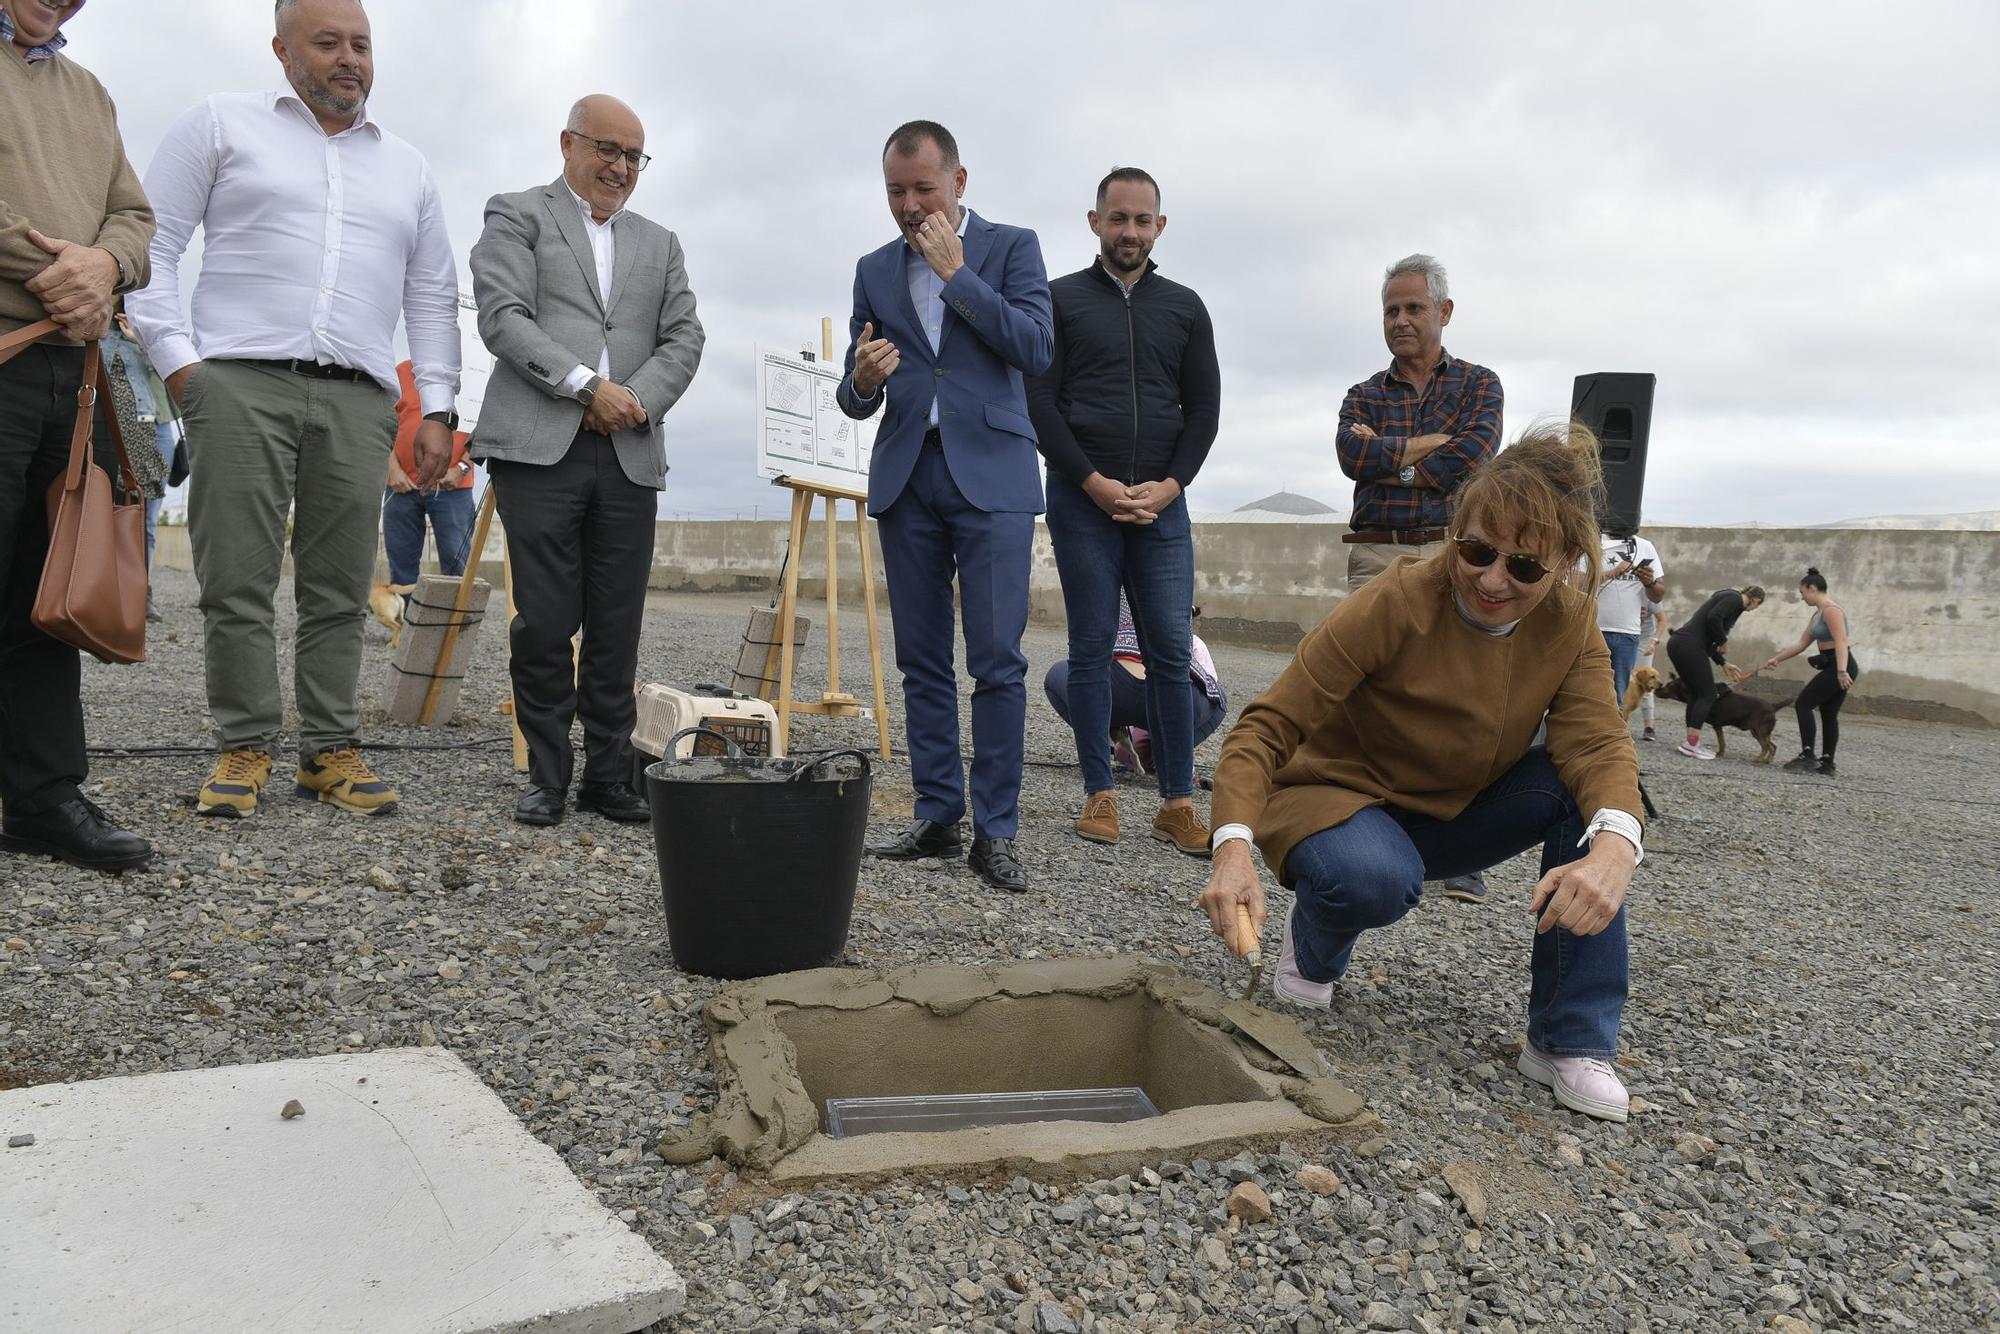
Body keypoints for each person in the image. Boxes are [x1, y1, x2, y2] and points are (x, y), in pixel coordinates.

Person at [1200, 422, 1645, 1122]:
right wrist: (1231, 848)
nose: (1493, 580)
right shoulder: (1394, 600)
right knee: (1372, 878)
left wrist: (1616, 847)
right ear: (1455, 534)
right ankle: (1315, 936)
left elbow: (1597, 746)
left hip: (1455, 811)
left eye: (1525, 567)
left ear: (1564, 563)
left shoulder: (1570, 622)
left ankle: (1567, 1039)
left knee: (1584, 799)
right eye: (1476, 551)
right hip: (1340, 802)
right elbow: (1268, 727)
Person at [127, 0, 461, 820]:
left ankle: (328, 749)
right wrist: (180, 367)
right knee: (235, 574)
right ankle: (244, 744)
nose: (350, 58)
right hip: (237, 381)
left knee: (340, 584)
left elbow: (431, 291)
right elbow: (154, 246)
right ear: (282, 50)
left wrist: (439, 407)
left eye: (362, 44)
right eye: (329, 42)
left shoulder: (407, 167)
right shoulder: (218, 124)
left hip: (359, 398)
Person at [470, 94, 704, 827]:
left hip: (629, 451)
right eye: (607, 148)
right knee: (543, 621)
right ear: (568, 143)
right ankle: (546, 775)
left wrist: (633, 396)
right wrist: (586, 388)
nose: (620, 166)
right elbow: (503, 317)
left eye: (634, 155)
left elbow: (685, 338)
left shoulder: (660, 243)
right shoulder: (516, 213)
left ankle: (608, 777)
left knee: (615, 624)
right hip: (539, 448)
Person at [838, 121, 1053, 892]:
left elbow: (1035, 349)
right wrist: (862, 378)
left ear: (959, 182)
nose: (907, 204)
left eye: (922, 188)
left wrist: (958, 277)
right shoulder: (872, 269)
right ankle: (937, 814)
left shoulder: (1013, 247)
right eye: (895, 190)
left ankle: (995, 831)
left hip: (991, 477)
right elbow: (853, 394)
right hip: (907, 477)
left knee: (997, 663)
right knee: (921, 662)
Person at [0, 0, 157, 872]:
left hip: (73, 374)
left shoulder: (89, 92)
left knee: (45, 592)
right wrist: (68, 274)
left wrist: (105, 267)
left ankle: (43, 799)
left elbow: (133, 217)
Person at [1026, 166, 1220, 856]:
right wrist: (1093, 482)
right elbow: (1041, 404)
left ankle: (1176, 802)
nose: (1129, 231)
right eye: (1118, 218)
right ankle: (1099, 793)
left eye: (1142, 220)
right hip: (1084, 501)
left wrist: (1170, 486)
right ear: (1095, 221)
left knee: (1169, 651)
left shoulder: (1186, 307)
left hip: (1162, 507)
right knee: (1089, 647)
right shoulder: (1059, 301)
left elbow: (1203, 411)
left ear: (1158, 226)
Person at [1335, 253, 1503, 905]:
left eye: (1412, 308)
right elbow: (1352, 456)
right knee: (1371, 686)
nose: (1400, 321)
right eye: (1390, 311)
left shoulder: (1480, 385)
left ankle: (1457, 847)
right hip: (1377, 552)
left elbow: (1474, 456)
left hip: (1450, 552)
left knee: (1458, 690)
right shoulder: (1362, 394)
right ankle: (1370, 828)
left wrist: (1391, 457)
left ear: (1444, 313)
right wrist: (1426, 447)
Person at [1042, 591, 1230, 808]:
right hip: (1171, 705)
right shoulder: (1193, 638)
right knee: (1218, 699)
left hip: (1113, 694)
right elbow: (1209, 681)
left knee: (1059, 676)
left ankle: (1099, 749)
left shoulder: (1110, 592)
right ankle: (1171, 760)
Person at [99, 309, 172, 621]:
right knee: (99, 512)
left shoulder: (138, 327)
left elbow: (169, 372)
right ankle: (100, 590)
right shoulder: (92, 326)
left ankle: (140, 591)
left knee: (141, 517)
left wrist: (140, 341)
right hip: (101, 426)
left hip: (142, 427)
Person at [381, 359, 475, 588]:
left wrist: (462, 468)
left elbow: (485, 426)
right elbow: (383, 423)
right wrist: (392, 469)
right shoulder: (399, 372)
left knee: (456, 565)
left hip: (453, 488)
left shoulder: (473, 372)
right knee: (401, 565)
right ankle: (405, 622)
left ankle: (454, 623)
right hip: (401, 485)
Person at [1756, 567, 1857, 778]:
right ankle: (1827, 763)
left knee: (1804, 703)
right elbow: (1802, 644)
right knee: (1828, 712)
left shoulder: (1832, 610)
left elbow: (1841, 641)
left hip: (1839, 665)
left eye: (1802, 593)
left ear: (1812, 588)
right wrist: (1777, 658)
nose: (1802, 598)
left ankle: (1808, 756)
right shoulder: (1817, 615)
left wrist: (1840, 671)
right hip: (1834, 664)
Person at [1664, 584, 1766, 760]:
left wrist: (1724, 663)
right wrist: (1723, 640)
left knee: (1696, 694)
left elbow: (1709, 639)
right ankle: (1692, 745)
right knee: (1709, 694)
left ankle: (1691, 742)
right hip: (1689, 645)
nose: (1752, 610)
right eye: (1757, 606)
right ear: (1756, 600)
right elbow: (1714, 618)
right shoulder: (1735, 599)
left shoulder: (1726, 596)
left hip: (1680, 644)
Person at [1596, 529, 1664, 706]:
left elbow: (1658, 595)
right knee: (1587, 691)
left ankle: (1610, 733)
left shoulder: (1645, 547)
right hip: (1593, 631)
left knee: (1619, 696)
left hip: (1628, 635)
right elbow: (1577, 582)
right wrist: (1612, 572)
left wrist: (1650, 582)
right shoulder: (1593, 542)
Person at [1635, 593, 1664, 741]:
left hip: (1644, 640)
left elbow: (1662, 619)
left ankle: (1649, 726)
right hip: (1622, 636)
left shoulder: (1648, 592)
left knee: (1648, 682)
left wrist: (1654, 641)